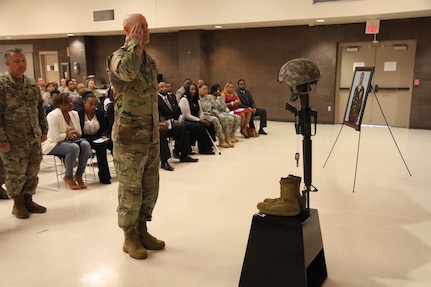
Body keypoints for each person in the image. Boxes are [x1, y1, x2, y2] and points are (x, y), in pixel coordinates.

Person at [106, 12, 165, 260]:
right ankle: (129, 236)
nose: (145, 31)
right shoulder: (119, 57)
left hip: (150, 137)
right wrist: (133, 45)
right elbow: (128, 74)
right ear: (128, 31)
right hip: (129, 139)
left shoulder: (149, 62)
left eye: (147, 27)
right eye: (139, 28)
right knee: (131, 190)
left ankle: (142, 228)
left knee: (150, 187)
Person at [0, 47, 48, 219]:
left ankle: (28, 199)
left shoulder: (31, 84)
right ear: (7, 63)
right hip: (13, 140)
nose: (22, 64)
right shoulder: (2, 85)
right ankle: (18, 203)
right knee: (15, 173)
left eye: (23, 61)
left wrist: (43, 129)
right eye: (17, 61)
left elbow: (40, 108)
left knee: (32, 170)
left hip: (33, 136)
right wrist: (2, 140)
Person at [42, 92, 92, 190]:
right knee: (74, 148)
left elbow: (79, 132)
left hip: (71, 140)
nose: (70, 104)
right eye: (67, 103)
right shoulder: (53, 116)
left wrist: (72, 134)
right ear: (59, 105)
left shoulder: (74, 114)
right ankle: (68, 176)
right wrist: (67, 135)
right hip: (53, 143)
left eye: (71, 102)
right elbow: (55, 137)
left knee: (86, 145)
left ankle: (79, 174)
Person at [158, 82, 198, 170]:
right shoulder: (155, 99)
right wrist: (162, 122)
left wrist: (178, 119)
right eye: (162, 87)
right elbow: (158, 113)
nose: (164, 88)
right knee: (162, 131)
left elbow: (176, 110)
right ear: (157, 89)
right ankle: (164, 161)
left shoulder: (170, 97)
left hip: (170, 121)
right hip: (160, 123)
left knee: (181, 127)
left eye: (165, 87)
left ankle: (183, 154)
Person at [78, 92, 112, 184]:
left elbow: (104, 128)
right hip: (84, 138)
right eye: (91, 104)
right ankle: (104, 176)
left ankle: (115, 171)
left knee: (112, 143)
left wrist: (104, 136)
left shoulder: (99, 114)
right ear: (84, 103)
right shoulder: (79, 114)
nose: (93, 107)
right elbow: (79, 131)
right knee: (101, 146)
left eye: (95, 105)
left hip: (98, 136)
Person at [178, 83, 215, 154]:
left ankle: (209, 144)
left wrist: (204, 118)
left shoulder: (196, 100)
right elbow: (187, 115)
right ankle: (202, 148)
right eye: (192, 89)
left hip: (197, 119)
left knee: (210, 122)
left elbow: (200, 112)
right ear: (188, 90)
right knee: (199, 126)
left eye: (195, 89)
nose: (194, 91)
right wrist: (199, 120)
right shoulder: (184, 100)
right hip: (187, 120)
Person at [198, 83, 231, 148]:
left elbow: (213, 107)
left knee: (222, 117)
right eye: (204, 89)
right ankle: (221, 139)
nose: (205, 90)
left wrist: (215, 113)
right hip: (203, 115)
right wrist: (211, 114)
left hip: (211, 113)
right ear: (199, 89)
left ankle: (227, 137)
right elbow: (199, 111)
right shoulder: (197, 99)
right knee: (215, 120)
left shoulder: (208, 97)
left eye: (206, 89)